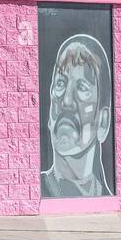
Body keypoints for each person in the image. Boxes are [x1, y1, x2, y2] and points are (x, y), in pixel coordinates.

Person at [41, 34, 113, 199]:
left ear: (103, 122)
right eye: (61, 83)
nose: (67, 100)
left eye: (82, 87)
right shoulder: (36, 188)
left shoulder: (104, 195)